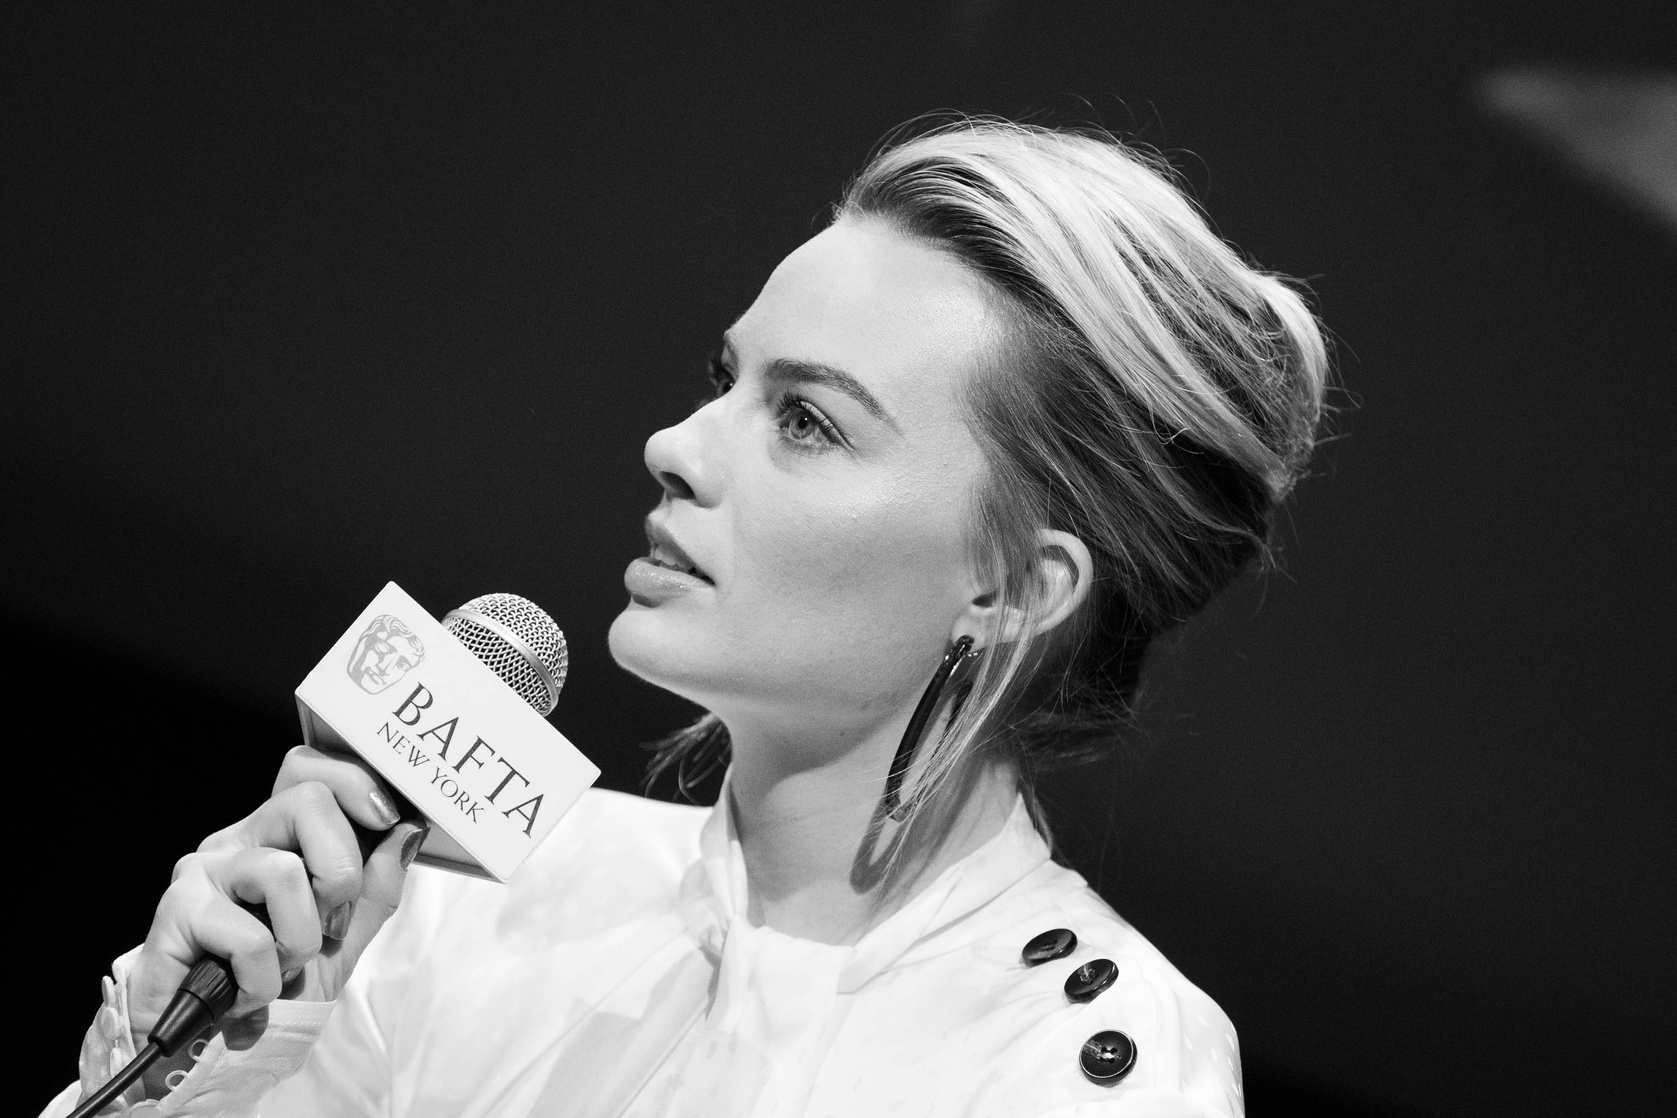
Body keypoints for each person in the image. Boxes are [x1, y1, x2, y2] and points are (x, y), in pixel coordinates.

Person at [43, 117, 1328, 1117]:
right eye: (728, 379)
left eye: (807, 420)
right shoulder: (482, 900)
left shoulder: (1081, 1060)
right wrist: (200, 1058)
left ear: (1012, 588)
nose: (675, 444)